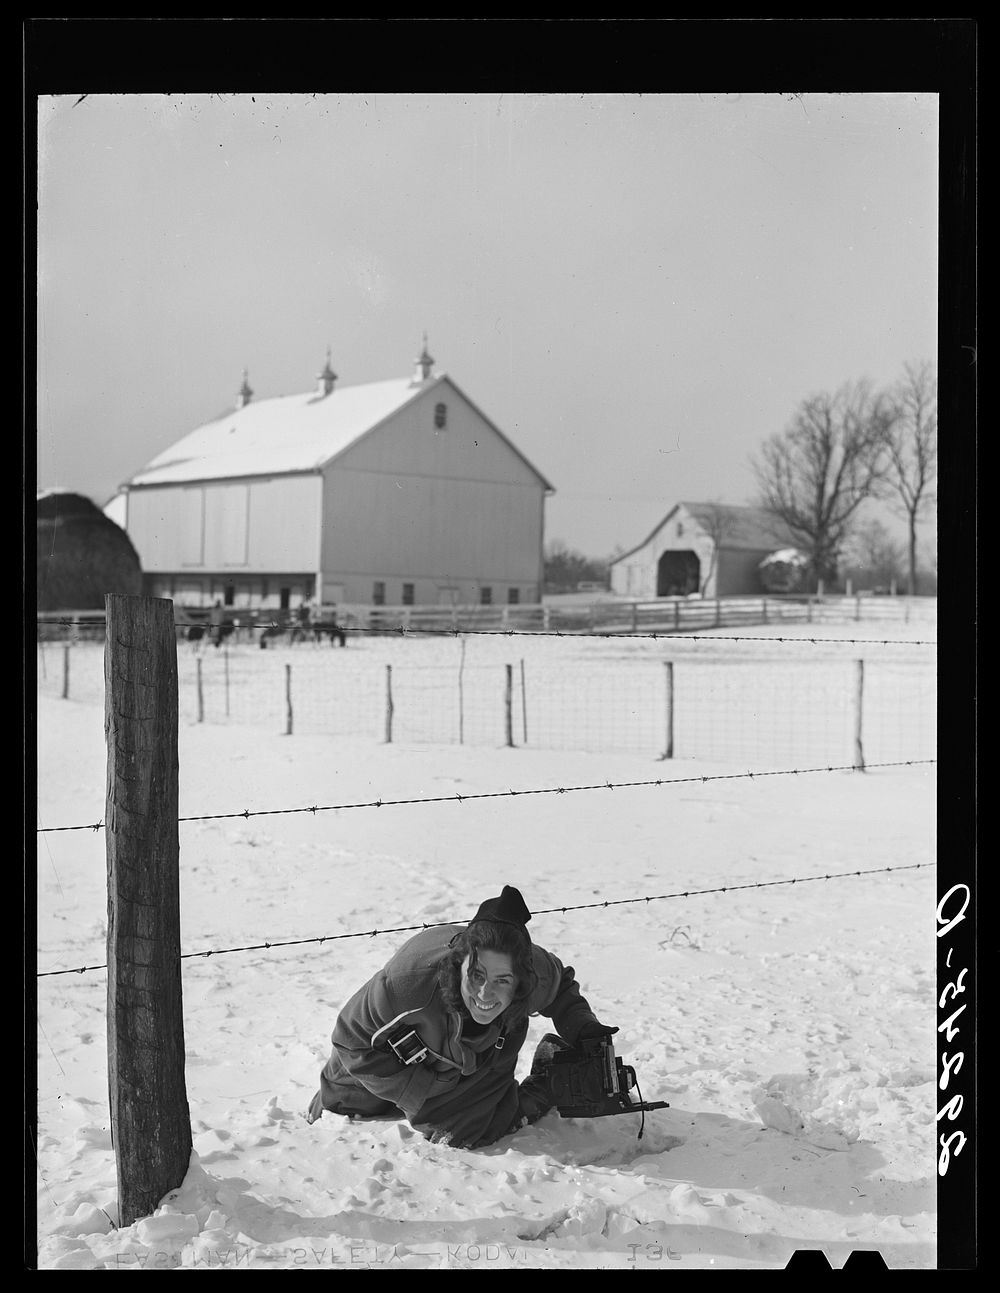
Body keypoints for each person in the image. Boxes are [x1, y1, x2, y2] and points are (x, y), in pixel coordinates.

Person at [305, 885, 618, 1149]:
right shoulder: (407, 985)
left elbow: (560, 987)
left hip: (485, 1051)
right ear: (459, 966)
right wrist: (423, 1092)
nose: (485, 994)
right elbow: (350, 1039)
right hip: (390, 1065)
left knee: (467, 1135)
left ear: (521, 980)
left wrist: (583, 1028)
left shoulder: (531, 969)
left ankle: (544, 1082)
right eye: (477, 976)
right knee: (343, 1103)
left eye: (502, 981)